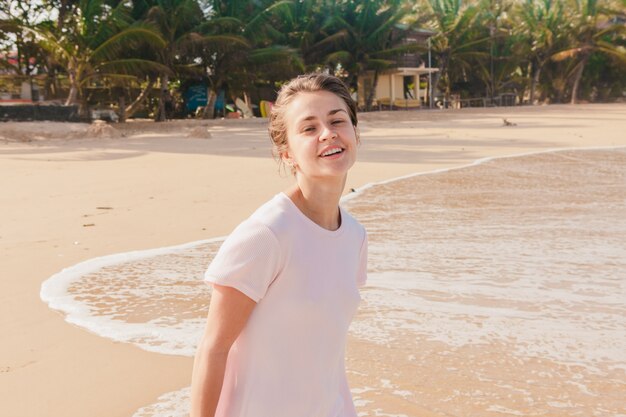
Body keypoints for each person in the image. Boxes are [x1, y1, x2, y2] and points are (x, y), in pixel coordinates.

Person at [190, 73, 368, 417]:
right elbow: (214, 348)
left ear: (355, 134)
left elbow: (325, 351)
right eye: (309, 128)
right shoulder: (266, 235)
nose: (328, 133)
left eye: (337, 121)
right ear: (287, 154)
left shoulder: (355, 236)